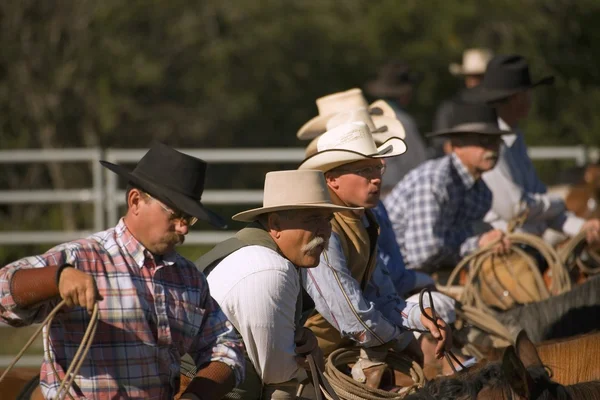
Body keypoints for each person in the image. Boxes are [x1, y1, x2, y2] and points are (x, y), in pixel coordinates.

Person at [0, 142, 245, 400]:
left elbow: (226, 347)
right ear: (136, 201)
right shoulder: (80, 258)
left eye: (189, 219)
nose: (183, 228)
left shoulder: (190, 280)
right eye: (176, 215)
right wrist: (56, 278)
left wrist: (196, 395)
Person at [297, 121, 452, 386]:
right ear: (331, 179)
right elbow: (351, 317)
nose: (377, 178)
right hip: (302, 358)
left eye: (377, 167)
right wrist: (402, 340)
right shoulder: (324, 230)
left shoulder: (365, 221)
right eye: (363, 170)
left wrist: (422, 317)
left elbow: (384, 297)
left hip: (334, 350)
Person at [194, 170, 359, 399]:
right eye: (312, 219)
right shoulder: (270, 269)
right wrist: (312, 357)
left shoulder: (267, 257)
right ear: (275, 225)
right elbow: (280, 375)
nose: (324, 231)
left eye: (327, 220)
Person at [463, 54, 600, 244]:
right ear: (516, 98)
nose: (531, 98)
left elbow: (537, 200)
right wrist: (558, 202)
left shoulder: (514, 138)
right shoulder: (489, 147)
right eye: (528, 92)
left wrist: (581, 227)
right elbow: (516, 208)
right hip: (504, 249)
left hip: (526, 246)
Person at [384, 102, 511, 272]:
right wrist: (478, 243)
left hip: (428, 272)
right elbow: (422, 254)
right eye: (484, 141)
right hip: (395, 274)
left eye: (496, 142)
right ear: (456, 146)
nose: (492, 149)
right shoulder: (434, 180)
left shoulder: (482, 193)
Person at [365, 60, 430, 193]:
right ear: (405, 94)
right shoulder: (403, 122)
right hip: (395, 192)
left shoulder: (364, 118)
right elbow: (419, 165)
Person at [432, 48, 494, 157]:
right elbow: (441, 144)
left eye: (480, 77)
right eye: (472, 77)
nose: (476, 82)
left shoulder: (497, 107)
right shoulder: (450, 108)